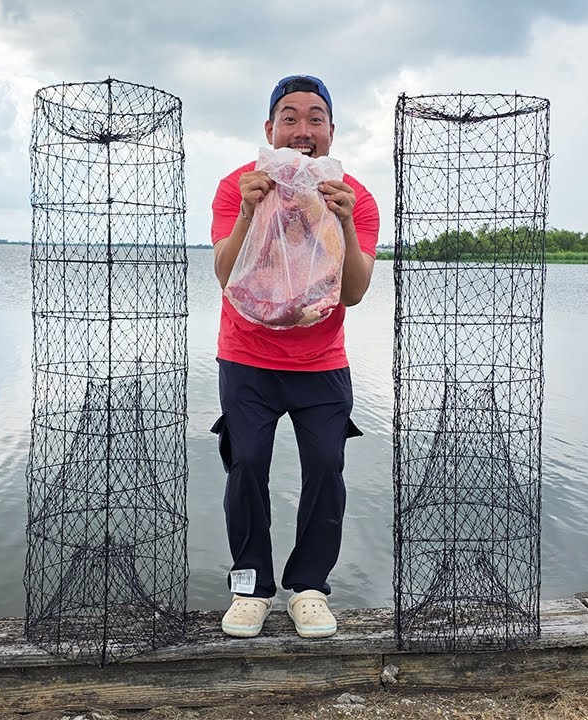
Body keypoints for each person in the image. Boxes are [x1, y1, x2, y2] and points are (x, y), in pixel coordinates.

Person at [209, 74, 380, 638]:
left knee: (327, 469)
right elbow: (224, 275)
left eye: (315, 118)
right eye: (289, 117)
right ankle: (251, 586)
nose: (302, 130)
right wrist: (247, 214)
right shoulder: (239, 185)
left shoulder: (354, 196)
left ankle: (309, 588)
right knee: (247, 464)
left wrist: (346, 220)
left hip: (321, 360)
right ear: (269, 128)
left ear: (332, 130)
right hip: (247, 356)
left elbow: (352, 292)